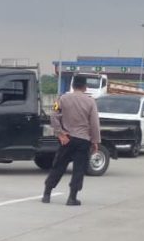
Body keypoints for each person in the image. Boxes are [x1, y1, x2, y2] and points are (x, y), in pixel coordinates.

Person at [42, 75, 101, 207]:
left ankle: (47, 194)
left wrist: (60, 133)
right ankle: (72, 198)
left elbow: (54, 116)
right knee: (79, 169)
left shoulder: (62, 98)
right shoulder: (90, 102)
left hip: (67, 139)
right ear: (85, 87)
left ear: (73, 86)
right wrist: (95, 141)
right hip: (83, 140)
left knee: (58, 166)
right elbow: (94, 124)